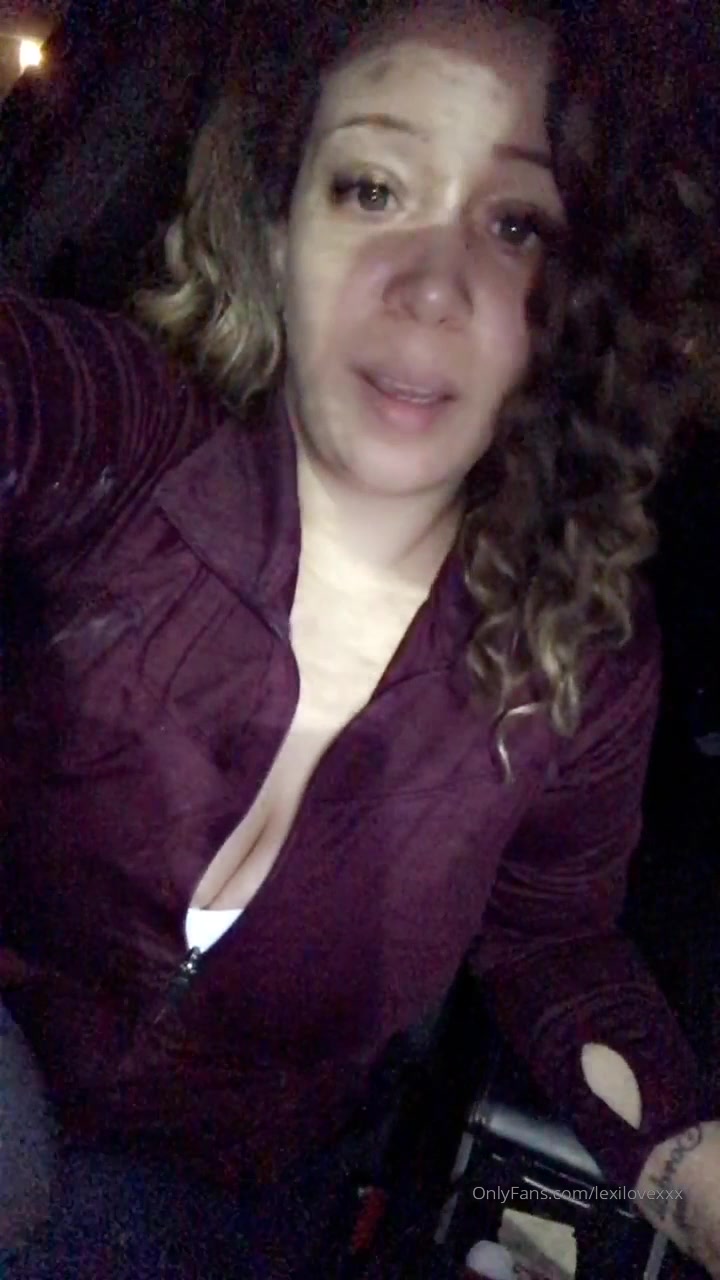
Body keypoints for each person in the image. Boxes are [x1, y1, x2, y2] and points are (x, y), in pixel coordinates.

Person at [0, 0, 718, 1275]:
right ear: (279, 229)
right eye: (373, 188)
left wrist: (694, 1172)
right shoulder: (124, 440)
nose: (433, 285)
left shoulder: (586, 657)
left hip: (238, 1202)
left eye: (513, 224)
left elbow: (552, 940)